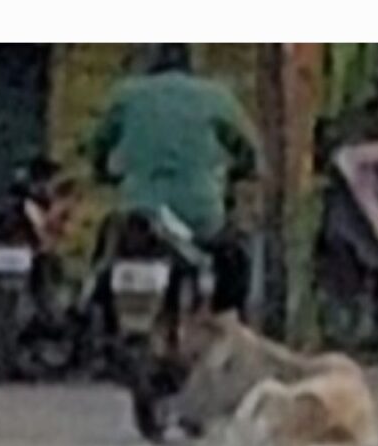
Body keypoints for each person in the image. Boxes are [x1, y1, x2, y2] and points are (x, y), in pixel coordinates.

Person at [83, 43, 263, 315]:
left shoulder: (127, 93)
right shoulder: (215, 96)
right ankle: (229, 323)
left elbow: (96, 145)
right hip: (198, 215)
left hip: (137, 211)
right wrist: (241, 172)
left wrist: (102, 172)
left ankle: (92, 311)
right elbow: (250, 151)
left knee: (104, 258)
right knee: (236, 259)